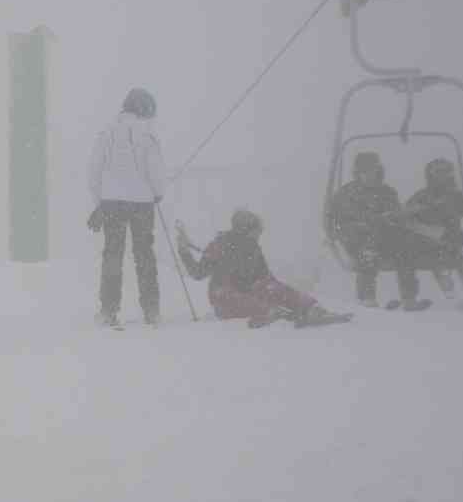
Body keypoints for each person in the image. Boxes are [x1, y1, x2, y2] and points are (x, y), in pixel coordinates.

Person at [176, 210, 351, 328]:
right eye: (256, 232)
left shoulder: (253, 248)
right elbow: (198, 273)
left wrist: (284, 295)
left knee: (271, 287)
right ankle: (272, 314)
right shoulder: (219, 246)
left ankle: (309, 307)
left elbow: (266, 278)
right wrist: (184, 252)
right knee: (239, 298)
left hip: (248, 293)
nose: (258, 236)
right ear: (244, 230)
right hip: (224, 300)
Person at [86, 88, 166, 327]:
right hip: (142, 203)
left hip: (112, 202)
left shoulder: (107, 133)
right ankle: (151, 310)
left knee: (113, 254)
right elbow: (156, 170)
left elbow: (94, 170)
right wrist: (158, 193)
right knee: (144, 255)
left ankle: (109, 310)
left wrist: (99, 200)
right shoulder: (148, 135)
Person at [327, 151, 417, 307]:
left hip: (382, 237)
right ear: (358, 173)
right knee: (368, 249)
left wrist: (394, 218)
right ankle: (367, 297)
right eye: (364, 171)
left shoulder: (387, 192)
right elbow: (331, 219)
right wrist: (337, 234)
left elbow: (396, 216)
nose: (368, 175)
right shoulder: (346, 194)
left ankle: (408, 297)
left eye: (372, 171)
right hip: (356, 239)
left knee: (405, 246)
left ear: (378, 171)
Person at [397, 157, 463, 292]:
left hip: (451, 240)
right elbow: (404, 218)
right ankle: (439, 276)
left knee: (455, 240)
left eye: (446, 172)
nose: (442, 176)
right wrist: (422, 224)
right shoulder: (422, 196)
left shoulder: (457, 196)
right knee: (410, 246)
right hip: (425, 242)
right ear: (431, 175)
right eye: (438, 172)